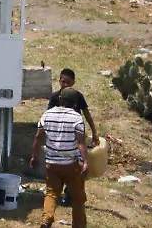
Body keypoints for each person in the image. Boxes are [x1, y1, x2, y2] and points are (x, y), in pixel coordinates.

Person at [31, 87, 89, 228]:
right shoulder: (76, 117)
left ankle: (46, 220)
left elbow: (38, 137)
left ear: (59, 99)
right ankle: (79, 225)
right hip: (72, 165)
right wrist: (85, 161)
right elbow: (80, 142)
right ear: (75, 103)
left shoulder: (47, 114)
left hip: (52, 164)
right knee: (77, 198)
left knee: (51, 194)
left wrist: (34, 156)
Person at [49, 68, 98, 206]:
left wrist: (94, 132)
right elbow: (48, 117)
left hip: (76, 136)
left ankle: (70, 194)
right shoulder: (54, 97)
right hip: (60, 136)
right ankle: (56, 194)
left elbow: (87, 114)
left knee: (76, 166)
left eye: (68, 82)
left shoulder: (78, 96)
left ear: (73, 83)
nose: (64, 84)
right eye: (62, 81)